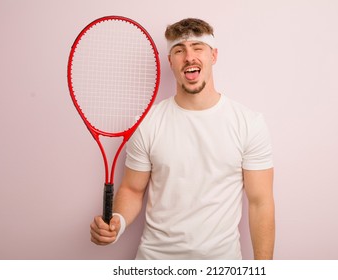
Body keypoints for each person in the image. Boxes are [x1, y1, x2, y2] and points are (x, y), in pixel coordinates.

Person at [90, 18, 275, 260]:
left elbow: (260, 203)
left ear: (213, 55)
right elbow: (132, 190)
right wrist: (118, 222)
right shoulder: (147, 123)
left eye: (198, 48)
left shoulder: (249, 123)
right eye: (179, 50)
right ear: (170, 61)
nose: (189, 57)